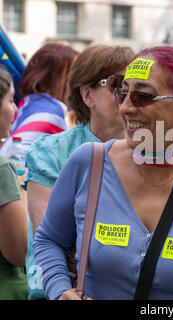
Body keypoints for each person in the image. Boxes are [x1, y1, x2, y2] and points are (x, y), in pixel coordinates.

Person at [33, 46, 173, 300]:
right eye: (122, 93)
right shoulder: (89, 163)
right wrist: (59, 290)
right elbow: (48, 240)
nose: (126, 108)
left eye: (143, 96)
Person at [23, 44, 135, 300]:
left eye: (137, 85)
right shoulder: (51, 151)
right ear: (87, 95)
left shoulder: (152, 152)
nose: (129, 94)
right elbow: (48, 236)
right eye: (118, 84)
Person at [0, 43, 78, 157]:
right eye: (74, 75)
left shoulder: (27, 103)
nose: (80, 83)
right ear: (52, 78)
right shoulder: (53, 113)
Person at [0, 67, 28, 299]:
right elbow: (19, 253)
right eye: (10, 100)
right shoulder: (2, 168)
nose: (15, 109)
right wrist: (22, 188)